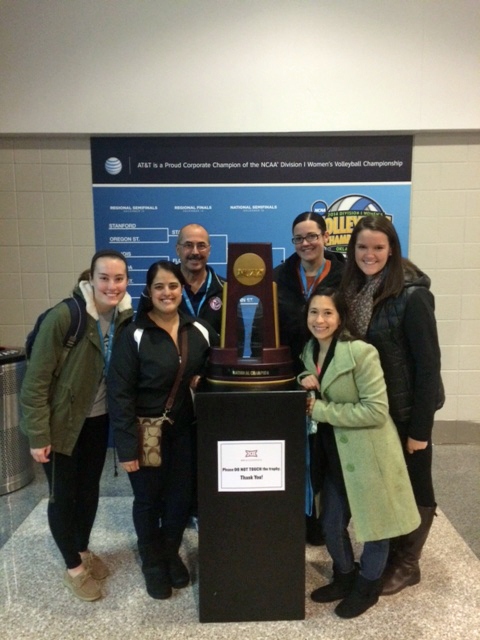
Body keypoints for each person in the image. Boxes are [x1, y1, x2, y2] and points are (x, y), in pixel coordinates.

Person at [299, 287, 420, 618]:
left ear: (340, 318)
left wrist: (320, 410)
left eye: (327, 313)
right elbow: (312, 386)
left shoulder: (362, 353)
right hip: (333, 452)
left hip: (369, 452)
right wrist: (303, 380)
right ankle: (344, 576)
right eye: (314, 312)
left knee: (375, 527)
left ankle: (368, 587)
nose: (319, 319)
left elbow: (375, 411)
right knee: (331, 523)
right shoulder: (310, 350)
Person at [20, 250, 133, 602]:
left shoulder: (125, 317)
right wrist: (38, 435)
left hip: (97, 421)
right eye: (104, 278)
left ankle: (82, 549)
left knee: (88, 492)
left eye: (118, 278)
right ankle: (72, 567)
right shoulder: (65, 317)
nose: (111, 286)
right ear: (91, 279)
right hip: (62, 424)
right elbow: (35, 382)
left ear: (126, 281)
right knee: (63, 496)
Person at [341, 215, 442, 596]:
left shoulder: (413, 295)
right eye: (363, 247)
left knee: (417, 485)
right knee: (389, 485)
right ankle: (392, 550)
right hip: (375, 409)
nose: (370, 254)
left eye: (378, 248)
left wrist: (420, 430)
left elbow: (429, 365)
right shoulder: (352, 290)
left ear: (392, 249)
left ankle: (408, 563)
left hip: (406, 410)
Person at [107, 261, 218, 600]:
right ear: (149, 292)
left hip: (184, 432)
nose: (166, 293)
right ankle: (152, 562)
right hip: (144, 435)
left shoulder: (198, 330)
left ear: (181, 288)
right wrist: (126, 448)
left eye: (172, 286)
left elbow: (217, 368)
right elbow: (120, 394)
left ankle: (170, 551)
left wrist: (204, 379)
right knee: (148, 500)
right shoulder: (134, 334)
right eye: (159, 287)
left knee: (180, 498)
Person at [274, 211, 345, 370]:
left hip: (334, 367)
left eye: (312, 236)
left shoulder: (345, 277)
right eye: (298, 238)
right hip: (288, 367)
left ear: (325, 236)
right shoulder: (277, 277)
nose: (305, 243)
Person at [136, 223, 225, 333]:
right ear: (178, 249)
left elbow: (235, 339)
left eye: (201, 246)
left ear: (209, 250)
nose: (195, 252)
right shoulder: (158, 290)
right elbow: (139, 331)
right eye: (188, 245)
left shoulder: (226, 290)